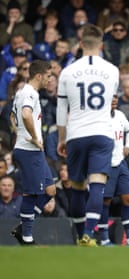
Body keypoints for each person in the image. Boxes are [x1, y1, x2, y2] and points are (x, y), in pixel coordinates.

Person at [56, 23, 119, 247]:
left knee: (78, 188)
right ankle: (89, 236)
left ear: (81, 44)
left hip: (76, 134)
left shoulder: (67, 71)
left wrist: (62, 138)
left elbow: (61, 110)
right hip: (102, 132)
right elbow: (111, 103)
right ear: (101, 45)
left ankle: (78, 235)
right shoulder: (112, 70)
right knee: (98, 184)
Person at [9, 60, 56, 245]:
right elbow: (26, 115)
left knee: (50, 190)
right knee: (32, 194)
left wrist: (20, 133)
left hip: (32, 150)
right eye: (48, 76)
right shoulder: (30, 93)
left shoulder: (21, 92)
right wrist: (34, 136)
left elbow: (13, 116)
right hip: (29, 149)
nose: (50, 80)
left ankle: (24, 226)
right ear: (39, 75)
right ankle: (27, 238)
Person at [97, 94, 129, 246]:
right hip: (104, 164)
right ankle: (103, 238)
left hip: (120, 163)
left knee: (128, 198)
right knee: (105, 201)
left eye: (115, 97)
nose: (114, 99)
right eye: (111, 97)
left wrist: (128, 147)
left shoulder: (120, 115)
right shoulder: (97, 119)